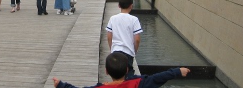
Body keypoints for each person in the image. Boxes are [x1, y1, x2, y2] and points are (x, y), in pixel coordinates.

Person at [52, 51, 190, 88]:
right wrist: (177, 71)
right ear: (127, 70)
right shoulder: (138, 83)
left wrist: (61, 85)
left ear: (106, 71)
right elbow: (158, 78)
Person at [106, 0, 142, 78]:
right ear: (131, 6)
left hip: (116, 51)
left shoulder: (113, 18)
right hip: (128, 52)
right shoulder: (134, 20)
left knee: (116, 76)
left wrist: (112, 48)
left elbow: (109, 36)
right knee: (128, 74)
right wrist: (135, 50)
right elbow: (137, 39)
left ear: (119, 5)